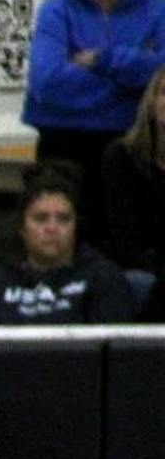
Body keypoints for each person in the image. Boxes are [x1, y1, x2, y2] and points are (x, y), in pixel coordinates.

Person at [22, 0, 165, 260]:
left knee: (134, 256)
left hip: (133, 146)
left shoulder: (155, 8)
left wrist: (103, 59)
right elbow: (46, 84)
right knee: (61, 255)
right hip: (64, 146)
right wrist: (132, 84)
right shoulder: (58, 9)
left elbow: (161, 75)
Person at [0, 164, 137, 324]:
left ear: (76, 226)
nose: (52, 228)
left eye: (63, 219)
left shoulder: (104, 279)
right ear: (22, 227)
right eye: (40, 218)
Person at [102, 64, 165, 305]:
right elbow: (124, 237)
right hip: (142, 267)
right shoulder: (121, 156)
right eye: (164, 93)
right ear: (151, 102)